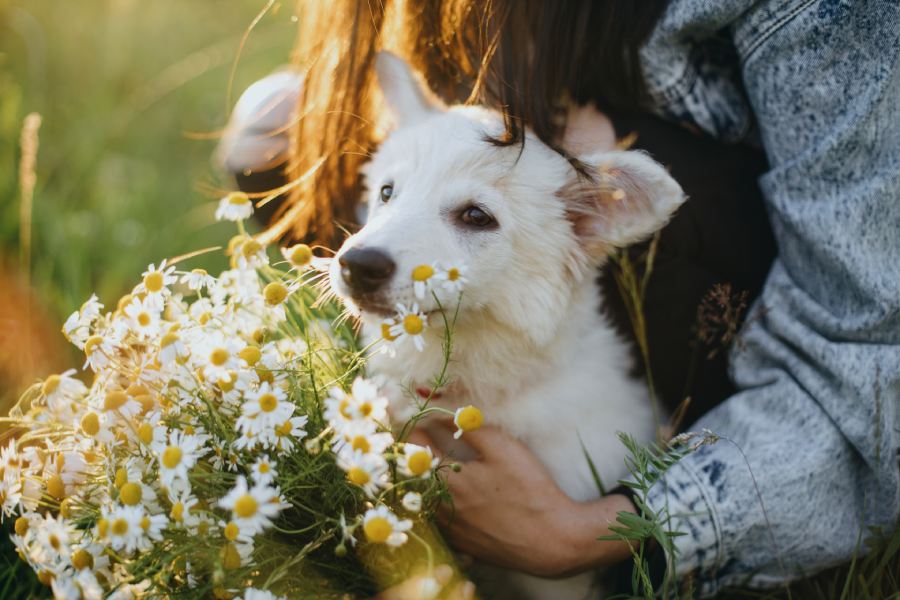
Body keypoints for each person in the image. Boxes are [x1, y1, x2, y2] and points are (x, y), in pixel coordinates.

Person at [219, 1, 900, 595]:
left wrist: (581, 534)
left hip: (733, 284)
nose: (368, 246)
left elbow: (866, 344)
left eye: (473, 216)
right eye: (386, 198)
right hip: (476, 271)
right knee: (275, 122)